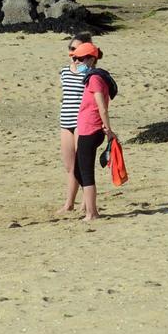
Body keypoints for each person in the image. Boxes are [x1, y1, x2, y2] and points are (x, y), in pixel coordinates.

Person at [70, 42, 117, 221]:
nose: (78, 61)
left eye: (81, 59)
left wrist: (109, 130)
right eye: (76, 58)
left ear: (91, 59)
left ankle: (92, 212)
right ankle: (90, 207)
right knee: (77, 171)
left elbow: (102, 107)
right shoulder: (93, 76)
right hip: (88, 129)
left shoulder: (95, 78)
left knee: (86, 172)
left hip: (91, 130)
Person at [56, 33, 92, 215]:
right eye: (71, 49)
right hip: (65, 120)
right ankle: (69, 203)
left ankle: (86, 203)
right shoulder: (64, 71)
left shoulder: (89, 72)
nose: (74, 54)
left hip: (82, 121)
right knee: (69, 166)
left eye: (78, 50)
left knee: (82, 164)